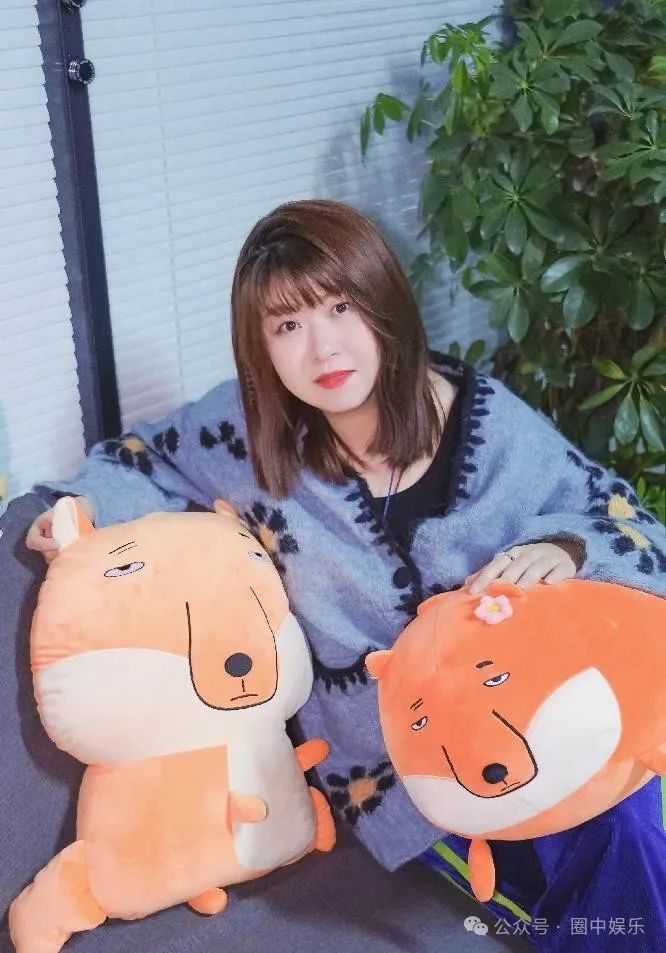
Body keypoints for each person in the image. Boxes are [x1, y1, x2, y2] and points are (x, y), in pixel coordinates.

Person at [27, 200, 666, 950]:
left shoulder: (490, 424)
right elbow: (139, 461)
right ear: (261, 346)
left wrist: (568, 546)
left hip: (535, 719)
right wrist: (74, 514)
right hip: (406, 774)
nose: (322, 347)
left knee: (623, 824)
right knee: (590, 865)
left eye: (340, 307)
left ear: (383, 304)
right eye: (287, 325)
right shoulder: (245, 436)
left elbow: (624, 519)